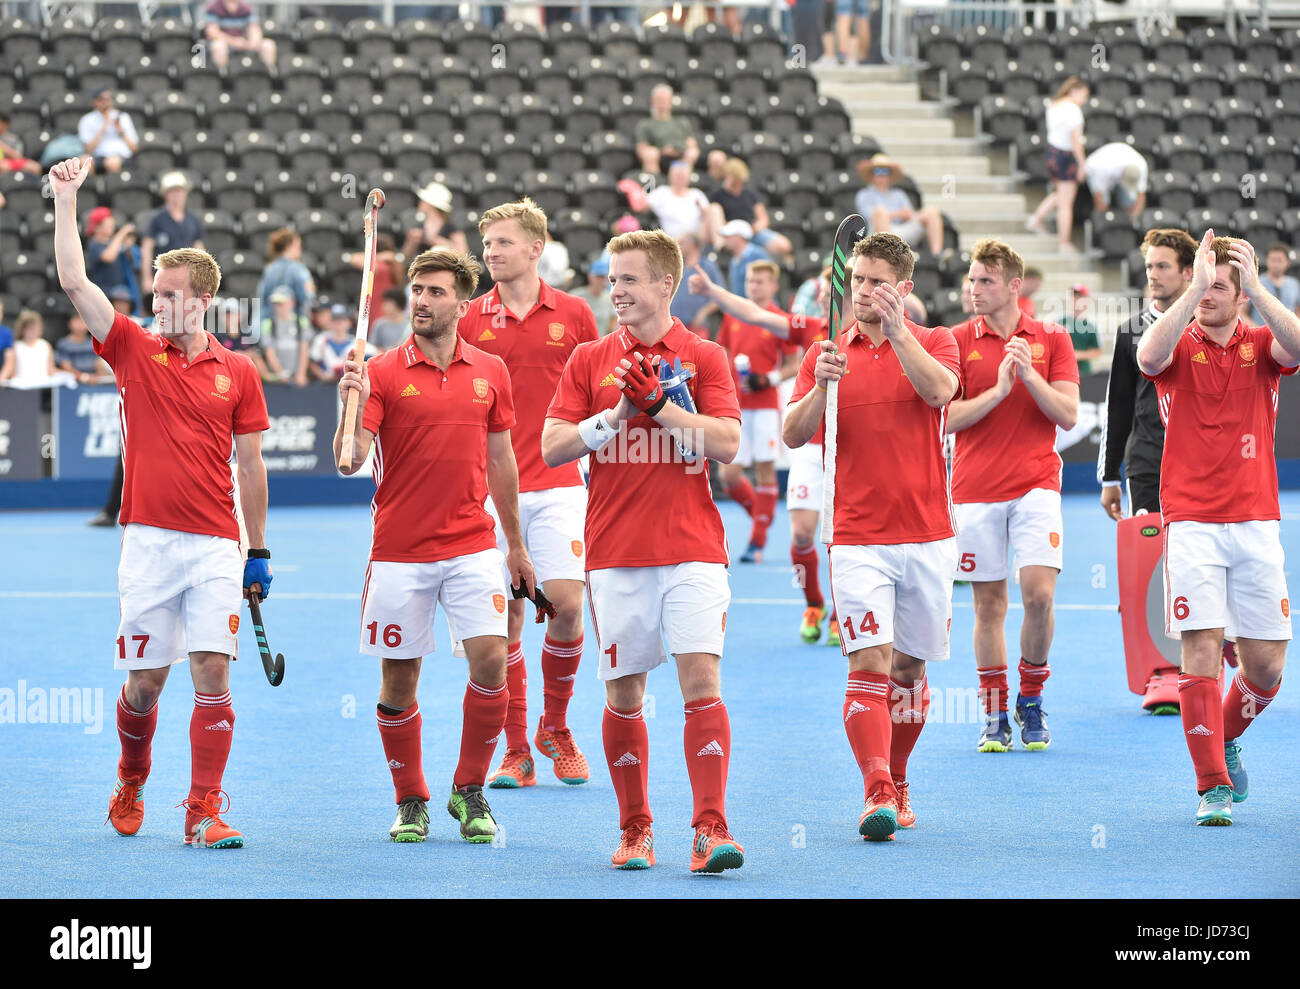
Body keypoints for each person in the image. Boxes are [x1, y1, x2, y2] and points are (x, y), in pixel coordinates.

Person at [51, 155, 271, 849]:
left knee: (212, 671)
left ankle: (202, 809)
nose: (156, 304)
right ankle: (132, 774)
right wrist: (65, 200)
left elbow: (251, 465)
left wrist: (258, 549)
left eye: (169, 294)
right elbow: (74, 279)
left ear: (201, 300)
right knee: (145, 684)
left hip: (216, 544)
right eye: (153, 291)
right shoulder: (129, 347)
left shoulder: (238, 371)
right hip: (147, 541)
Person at [541, 229, 746, 873]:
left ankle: (710, 829)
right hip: (615, 552)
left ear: (666, 284)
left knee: (701, 682)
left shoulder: (704, 356)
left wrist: (660, 406)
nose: (617, 291)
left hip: (693, 548)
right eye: (612, 279)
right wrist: (616, 416)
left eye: (629, 279)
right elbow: (552, 447)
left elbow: (726, 443)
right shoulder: (588, 359)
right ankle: (636, 830)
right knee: (624, 695)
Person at [334, 247, 530, 844]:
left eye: (436, 292)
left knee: (492, 660)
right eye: (417, 290)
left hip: (472, 544)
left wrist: (516, 545)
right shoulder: (381, 372)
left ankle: (468, 789)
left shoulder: (491, 371)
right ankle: (410, 799)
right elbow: (348, 461)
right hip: (399, 551)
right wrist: (347, 404)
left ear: (462, 305)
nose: (421, 300)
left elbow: (502, 460)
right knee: (400, 683)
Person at [784, 231, 962, 841]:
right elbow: (792, 434)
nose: (862, 290)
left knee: (909, 670)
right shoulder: (827, 351)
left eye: (877, 282)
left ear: (903, 288)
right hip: (856, 535)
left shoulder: (935, 340)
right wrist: (819, 386)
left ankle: (900, 776)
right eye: (857, 279)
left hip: (928, 533)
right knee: (868, 663)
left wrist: (899, 331)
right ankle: (877, 787)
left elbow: (940, 392)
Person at [1135, 231, 1300, 826]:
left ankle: (1224, 737)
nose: (1207, 296)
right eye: (1202, 286)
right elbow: (1146, 357)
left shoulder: (1262, 344)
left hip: (1256, 520)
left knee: (1266, 667)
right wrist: (1194, 287)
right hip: (1192, 521)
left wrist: (1255, 284)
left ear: (1241, 296)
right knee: (1201, 648)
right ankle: (1211, 786)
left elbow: (1297, 343)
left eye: (1219, 289)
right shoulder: (1177, 343)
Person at [457, 197, 599, 791]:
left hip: (559, 480)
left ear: (536, 248)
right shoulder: (469, 317)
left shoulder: (576, 313)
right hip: (488, 490)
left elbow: (598, 389)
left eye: (503, 243)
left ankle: (555, 726)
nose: (491, 253)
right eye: (487, 244)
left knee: (565, 606)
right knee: (506, 620)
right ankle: (516, 750)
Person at [946, 238, 1080, 753]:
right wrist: (998, 392)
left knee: (1040, 597)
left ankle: (1032, 697)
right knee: (989, 606)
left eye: (985, 281)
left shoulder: (1052, 337)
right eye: (971, 280)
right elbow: (944, 419)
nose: (974, 289)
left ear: (1013, 286)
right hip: (975, 489)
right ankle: (995, 711)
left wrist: (1027, 377)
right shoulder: (956, 339)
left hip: (1036, 484)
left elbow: (1067, 414)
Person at [688, 261, 840, 646]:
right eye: (822, 292)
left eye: (829, 292)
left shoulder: (880, 333)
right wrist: (712, 291)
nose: (822, 297)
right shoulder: (812, 327)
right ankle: (814, 603)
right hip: (811, 447)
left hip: (852, 452)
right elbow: (753, 313)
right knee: (802, 535)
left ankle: (842, 614)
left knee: (844, 541)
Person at [1099, 227, 1196, 713]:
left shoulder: (1207, 323)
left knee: (1196, 560)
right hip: (1147, 465)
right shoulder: (1131, 330)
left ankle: (1204, 655)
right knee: (1155, 565)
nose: (1153, 275)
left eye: (1163, 266)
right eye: (1149, 266)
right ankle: (1164, 671)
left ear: (1188, 273)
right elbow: (1117, 406)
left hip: (1201, 465)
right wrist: (1110, 476)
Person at [711, 260, 795, 563]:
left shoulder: (779, 321)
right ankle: (761, 518)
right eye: (749, 281)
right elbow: (722, 352)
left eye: (759, 281)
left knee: (764, 471)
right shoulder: (734, 315)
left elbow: (794, 364)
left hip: (765, 408)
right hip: (734, 406)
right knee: (729, 475)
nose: (753, 286)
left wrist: (767, 379)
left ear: (773, 285)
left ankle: (757, 540)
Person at [1026, 76, 1088, 254]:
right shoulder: (1073, 110)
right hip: (1067, 155)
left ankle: (1036, 218)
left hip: (1053, 153)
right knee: (1066, 203)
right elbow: (1075, 140)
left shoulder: (1054, 106)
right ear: (1074, 91)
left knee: (1061, 194)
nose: (1085, 100)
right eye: (1084, 95)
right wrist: (1082, 164)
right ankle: (1064, 242)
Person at [854, 154, 945, 257]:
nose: (881, 175)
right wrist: (897, 214)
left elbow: (909, 214)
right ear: (872, 175)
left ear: (890, 175)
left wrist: (892, 215)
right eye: (877, 171)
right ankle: (889, 256)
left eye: (885, 171)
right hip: (877, 234)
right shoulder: (864, 194)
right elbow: (871, 216)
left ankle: (937, 255)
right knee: (880, 213)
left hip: (901, 230)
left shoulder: (899, 194)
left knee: (931, 211)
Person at [141, 171, 205, 301]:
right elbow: (147, 249)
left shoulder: (193, 219)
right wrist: (146, 278)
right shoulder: (157, 219)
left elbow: (199, 249)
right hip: (164, 277)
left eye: (180, 191)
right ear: (165, 194)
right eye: (173, 191)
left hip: (187, 278)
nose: (177, 195)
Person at [84, 207, 141, 316]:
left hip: (120, 292)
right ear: (97, 227)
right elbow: (108, 256)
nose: (112, 228)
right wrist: (121, 234)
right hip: (104, 293)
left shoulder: (113, 243)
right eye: (108, 225)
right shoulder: (94, 244)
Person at [634, 84, 700, 176]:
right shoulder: (645, 124)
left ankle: (682, 179)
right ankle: (655, 182)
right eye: (659, 100)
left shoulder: (682, 122)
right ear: (652, 101)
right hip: (660, 158)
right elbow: (642, 149)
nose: (662, 103)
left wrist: (681, 151)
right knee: (650, 154)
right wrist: (662, 151)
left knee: (692, 152)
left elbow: (691, 144)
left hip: (680, 158)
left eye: (665, 100)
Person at [257, 228, 315, 328]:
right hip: (294, 327)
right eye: (298, 246)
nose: (300, 250)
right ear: (289, 246)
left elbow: (262, 299)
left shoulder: (269, 269)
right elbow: (308, 297)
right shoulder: (299, 270)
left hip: (272, 326)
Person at [718, 220, 791, 299]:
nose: (725, 240)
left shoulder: (758, 255)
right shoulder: (734, 261)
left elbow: (768, 286)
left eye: (728, 236)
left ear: (739, 237)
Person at [706, 157, 774, 238]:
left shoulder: (750, 192)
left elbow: (763, 217)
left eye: (739, 182)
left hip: (751, 230)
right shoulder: (717, 193)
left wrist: (756, 228)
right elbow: (714, 219)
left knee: (781, 243)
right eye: (733, 182)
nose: (737, 186)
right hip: (730, 232)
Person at [646, 160, 713, 242]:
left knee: (715, 209)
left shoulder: (697, 194)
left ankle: (719, 246)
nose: (680, 178)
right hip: (672, 239)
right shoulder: (662, 192)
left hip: (697, 238)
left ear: (689, 177)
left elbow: (708, 214)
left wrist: (704, 212)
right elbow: (643, 206)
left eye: (683, 175)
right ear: (670, 176)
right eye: (677, 175)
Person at [670, 233, 722, 336]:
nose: (678, 246)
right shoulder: (677, 266)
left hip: (697, 326)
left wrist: (704, 312)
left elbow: (720, 295)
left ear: (692, 245)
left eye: (682, 243)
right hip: (675, 326)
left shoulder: (708, 267)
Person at [77, 89, 139, 175]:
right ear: (95, 102)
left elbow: (134, 148)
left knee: (112, 162)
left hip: (119, 155)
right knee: (84, 161)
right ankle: (91, 183)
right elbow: (88, 149)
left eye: (108, 99)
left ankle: (114, 183)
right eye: (102, 99)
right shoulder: (87, 119)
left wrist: (120, 131)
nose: (106, 103)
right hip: (97, 155)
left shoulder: (123, 117)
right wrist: (104, 127)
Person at [201, 0, 278, 69]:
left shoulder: (245, 7)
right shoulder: (214, 7)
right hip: (225, 43)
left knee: (268, 45)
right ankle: (221, 74)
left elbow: (254, 28)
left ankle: (268, 74)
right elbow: (212, 32)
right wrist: (234, 42)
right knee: (219, 46)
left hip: (243, 43)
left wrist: (252, 42)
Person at [345, 233, 403, 322]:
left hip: (378, 305)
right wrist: (380, 256)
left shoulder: (382, 266)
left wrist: (376, 257)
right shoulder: (390, 263)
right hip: (380, 305)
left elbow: (352, 259)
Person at [403, 181, 470, 259]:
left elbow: (464, 253)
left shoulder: (450, 227)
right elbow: (406, 255)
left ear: (431, 205)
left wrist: (442, 243)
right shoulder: (419, 226)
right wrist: (412, 242)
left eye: (424, 201)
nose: (420, 203)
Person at [259, 287, 311, 385]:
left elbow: (304, 349)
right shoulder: (268, 324)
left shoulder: (301, 322)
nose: (278, 307)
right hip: (277, 379)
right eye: (276, 303)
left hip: (297, 378)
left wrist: (301, 374)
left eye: (281, 303)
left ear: (292, 302)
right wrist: (280, 373)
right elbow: (269, 352)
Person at [1085, 142, 1149, 217]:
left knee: (1130, 202)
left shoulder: (1142, 166)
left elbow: (1141, 196)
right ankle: (1095, 223)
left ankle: (1125, 222)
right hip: (1094, 170)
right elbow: (1098, 196)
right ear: (1123, 174)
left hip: (1114, 172)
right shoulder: (1103, 168)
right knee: (1103, 205)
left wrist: (1133, 219)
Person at [1247, 243, 1300, 325]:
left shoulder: (1294, 284)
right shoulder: (1255, 282)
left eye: (1279, 260)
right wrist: (1254, 328)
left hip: (1288, 331)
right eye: (1273, 260)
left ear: (1287, 262)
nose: (1276, 264)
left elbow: (1297, 311)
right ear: (1267, 261)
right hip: (1260, 330)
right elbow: (1242, 311)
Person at [56, 312, 113, 384]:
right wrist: (83, 377)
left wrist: (101, 377)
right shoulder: (63, 344)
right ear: (69, 323)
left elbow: (99, 363)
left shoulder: (94, 342)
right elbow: (66, 367)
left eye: (83, 320)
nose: (81, 324)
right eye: (77, 320)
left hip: (94, 380)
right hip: (73, 382)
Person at [6, 310, 57, 387]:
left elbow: (51, 369)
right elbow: (12, 371)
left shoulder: (45, 345)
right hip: (22, 386)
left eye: (35, 328)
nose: (32, 331)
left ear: (40, 328)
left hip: (43, 386)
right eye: (29, 328)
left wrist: (65, 375)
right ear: (22, 329)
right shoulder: (16, 346)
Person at [310, 305, 360, 381]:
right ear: (330, 323)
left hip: (349, 382)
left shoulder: (357, 342)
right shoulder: (321, 339)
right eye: (335, 321)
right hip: (325, 383)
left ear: (349, 322)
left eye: (342, 320)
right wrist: (323, 376)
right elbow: (313, 364)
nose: (339, 324)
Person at [572, 255, 618, 337]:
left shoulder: (610, 298)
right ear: (590, 276)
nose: (602, 281)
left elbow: (613, 327)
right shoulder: (575, 296)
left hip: (600, 342)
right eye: (599, 277)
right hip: (579, 342)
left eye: (605, 277)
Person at [1061, 283, 1102, 374]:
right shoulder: (1060, 322)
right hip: (1063, 370)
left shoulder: (1090, 325)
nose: (1076, 300)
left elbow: (1097, 351)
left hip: (1083, 371)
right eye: (1074, 296)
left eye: (1080, 297)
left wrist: (1077, 355)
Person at [368, 288, 410, 353]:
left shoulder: (410, 326)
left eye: (388, 304)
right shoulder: (379, 324)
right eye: (384, 303)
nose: (384, 306)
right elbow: (372, 347)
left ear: (399, 304)